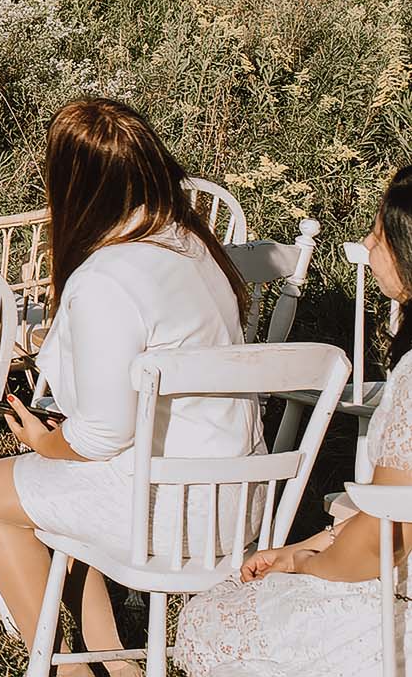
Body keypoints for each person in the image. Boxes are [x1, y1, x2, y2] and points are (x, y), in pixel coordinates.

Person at [0, 96, 255, 677]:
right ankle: (115, 663)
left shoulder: (107, 277)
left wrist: (43, 439)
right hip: (245, 495)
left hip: (174, 513)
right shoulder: (193, 243)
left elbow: (102, 435)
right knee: (67, 485)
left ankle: (66, 670)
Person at [173, 166, 412, 675]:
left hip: (395, 598)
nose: (367, 246)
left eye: (379, 234)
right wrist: (305, 546)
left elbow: (392, 529)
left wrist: (309, 563)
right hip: (380, 550)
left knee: (207, 619)